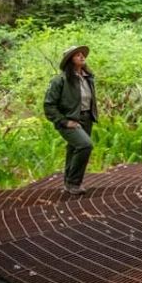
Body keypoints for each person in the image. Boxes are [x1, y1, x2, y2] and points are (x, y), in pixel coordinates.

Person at [44, 45, 98, 195]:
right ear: (69, 60)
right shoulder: (60, 80)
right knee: (85, 145)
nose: (82, 57)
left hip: (87, 118)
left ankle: (69, 183)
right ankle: (74, 183)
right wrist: (64, 121)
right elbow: (49, 106)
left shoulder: (88, 78)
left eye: (82, 54)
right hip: (69, 120)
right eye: (77, 55)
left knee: (74, 149)